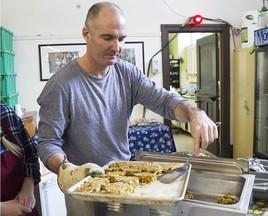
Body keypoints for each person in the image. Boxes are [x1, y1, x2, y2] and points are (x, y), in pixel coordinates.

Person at [37, 2, 218, 215]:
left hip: (123, 179)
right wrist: (68, 170)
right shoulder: (61, 85)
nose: (116, 47)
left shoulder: (127, 74)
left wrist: (193, 112)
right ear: (86, 34)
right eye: (108, 38)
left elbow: (163, 100)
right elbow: (48, 144)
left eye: (121, 39)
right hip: (82, 189)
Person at [1, 104, 41, 216]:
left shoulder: (5, 114)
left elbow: (31, 156)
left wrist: (27, 187)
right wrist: (2, 209)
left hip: (24, 208)